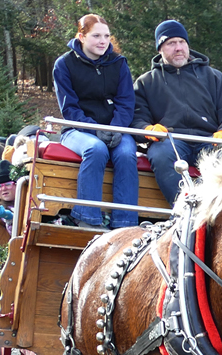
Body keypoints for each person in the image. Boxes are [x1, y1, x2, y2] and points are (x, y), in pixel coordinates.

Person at [131, 19, 222, 204]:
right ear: (160, 49)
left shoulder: (214, 77)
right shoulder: (146, 82)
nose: (178, 48)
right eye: (171, 43)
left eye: (182, 42)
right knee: (160, 155)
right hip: (170, 142)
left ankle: (213, 214)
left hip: (209, 141)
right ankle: (182, 213)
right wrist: (148, 130)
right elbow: (136, 118)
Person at [52, 13, 138, 229]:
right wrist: (95, 130)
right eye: (96, 36)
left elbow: (126, 102)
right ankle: (87, 217)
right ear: (81, 36)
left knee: (127, 153)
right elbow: (69, 108)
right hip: (78, 129)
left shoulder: (118, 64)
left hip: (115, 128)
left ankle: (125, 223)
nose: (103, 41)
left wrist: (117, 128)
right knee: (96, 149)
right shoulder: (64, 64)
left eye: (106, 36)